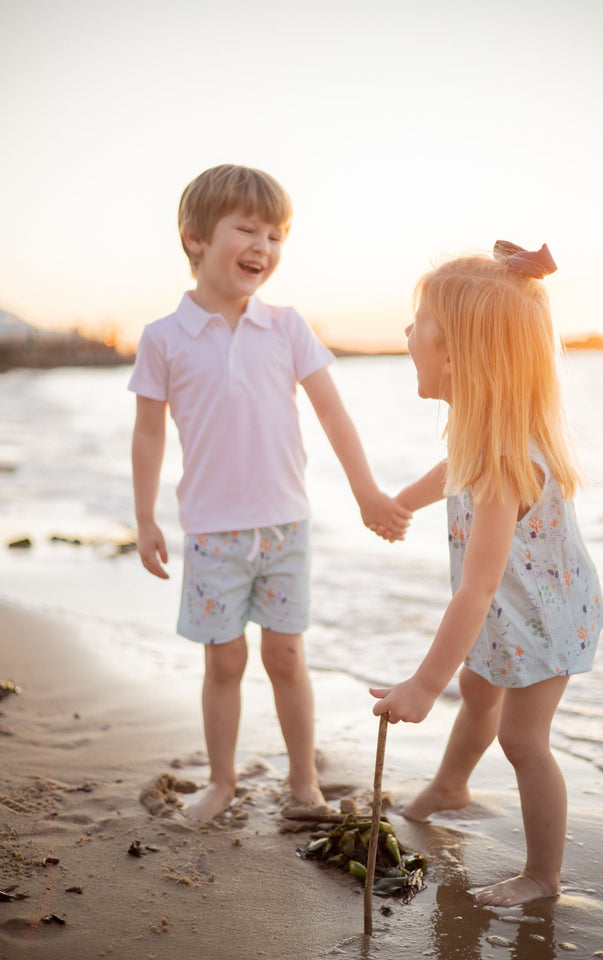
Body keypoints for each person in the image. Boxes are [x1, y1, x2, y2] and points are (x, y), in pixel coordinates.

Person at [129, 164, 411, 824]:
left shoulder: (286, 328)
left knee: (286, 656)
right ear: (195, 238)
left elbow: (333, 413)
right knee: (224, 660)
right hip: (212, 532)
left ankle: (303, 780)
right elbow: (147, 436)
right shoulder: (164, 338)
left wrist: (367, 491)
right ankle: (222, 781)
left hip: (285, 526)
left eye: (277, 235)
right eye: (247, 229)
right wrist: (145, 519)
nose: (264, 246)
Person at [370, 241, 603, 907]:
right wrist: (400, 503)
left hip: (543, 620)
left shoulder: (507, 465)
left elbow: (474, 590)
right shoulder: (482, 433)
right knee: (478, 692)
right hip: (511, 611)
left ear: (458, 354)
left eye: (419, 321)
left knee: (522, 738)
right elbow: (450, 472)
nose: (407, 332)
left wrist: (421, 685)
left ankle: (543, 876)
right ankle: (450, 786)